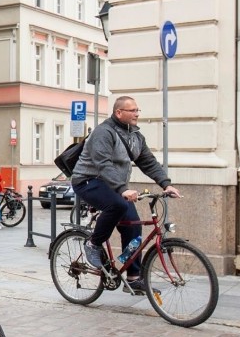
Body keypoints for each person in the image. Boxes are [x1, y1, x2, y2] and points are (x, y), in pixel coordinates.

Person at [71, 96, 181, 294]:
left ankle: (134, 278)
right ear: (118, 112)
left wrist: (166, 184)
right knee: (118, 205)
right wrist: (123, 189)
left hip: (114, 185)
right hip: (88, 181)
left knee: (134, 228)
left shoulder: (136, 136)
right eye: (132, 110)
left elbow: (148, 162)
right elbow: (103, 164)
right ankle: (93, 244)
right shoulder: (103, 132)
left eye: (138, 110)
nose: (137, 114)